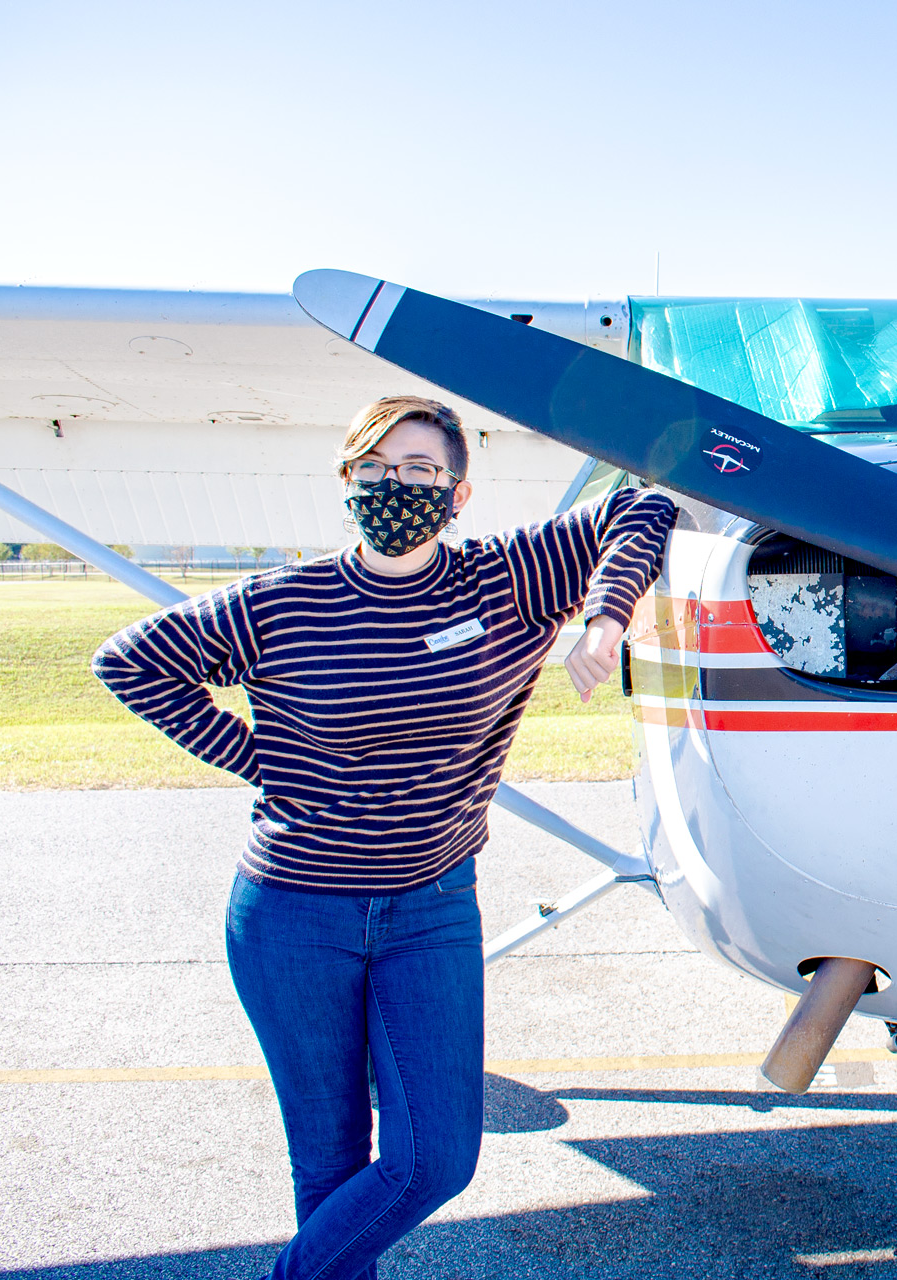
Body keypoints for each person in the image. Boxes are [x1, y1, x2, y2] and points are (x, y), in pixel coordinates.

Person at [93, 396, 677, 1278]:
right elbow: (127, 661)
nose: (392, 486)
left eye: (418, 471)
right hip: (291, 915)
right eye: (373, 469)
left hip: (432, 910)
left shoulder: (507, 578)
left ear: (459, 491)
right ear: (346, 480)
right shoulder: (280, 603)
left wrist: (604, 619)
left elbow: (646, 504)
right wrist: (258, 760)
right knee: (328, 1165)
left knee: (434, 1160)